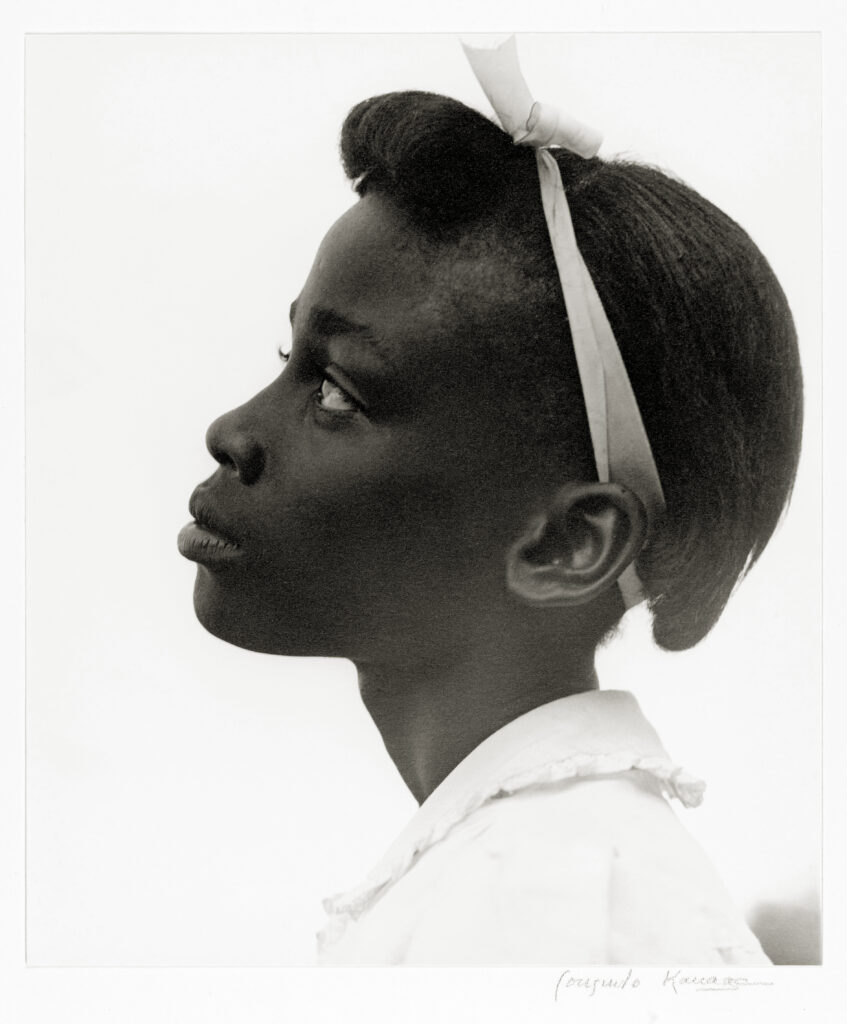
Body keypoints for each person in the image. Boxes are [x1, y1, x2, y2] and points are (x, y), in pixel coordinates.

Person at [177, 48, 802, 964]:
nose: (230, 431)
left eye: (340, 391)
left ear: (565, 543)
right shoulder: (515, 874)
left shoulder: (554, 910)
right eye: (288, 362)